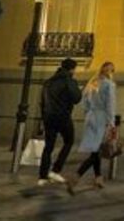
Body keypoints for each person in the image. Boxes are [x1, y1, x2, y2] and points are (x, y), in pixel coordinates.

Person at [67, 61, 117, 193]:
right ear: (111, 72)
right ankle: (76, 176)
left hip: (90, 118)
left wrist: (89, 113)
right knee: (97, 152)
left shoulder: (92, 83)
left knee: (95, 150)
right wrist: (111, 123)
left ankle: (98, 178)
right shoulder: (109, 85)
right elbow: (110, 105)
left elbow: (84, 103)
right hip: (101, 118)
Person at [38, 58, 82, 186]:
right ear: (72, 69)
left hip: (48, 117)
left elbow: (42, 101)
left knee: (48, 147)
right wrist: (77, 89)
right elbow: (76, 98)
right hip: (63, 117)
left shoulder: (48, 82)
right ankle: (55, 170)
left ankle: (42, 177)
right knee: (69, 141)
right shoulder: (69, 81)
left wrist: (44, 117)